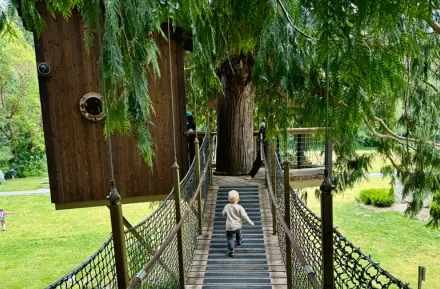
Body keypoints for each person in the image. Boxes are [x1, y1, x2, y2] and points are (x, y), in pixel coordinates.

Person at [222, 190, 254, 257]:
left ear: (228, 199)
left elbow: (223, 214)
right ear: (238, 199)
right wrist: (250, 222)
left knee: (230, 238)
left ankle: (231, 249)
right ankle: (238, 241)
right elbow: (244, 216)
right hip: (237, 226)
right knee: (238, 233)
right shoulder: (239, 207)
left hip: (229, 227)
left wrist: (226, 215)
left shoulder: (227, 206)